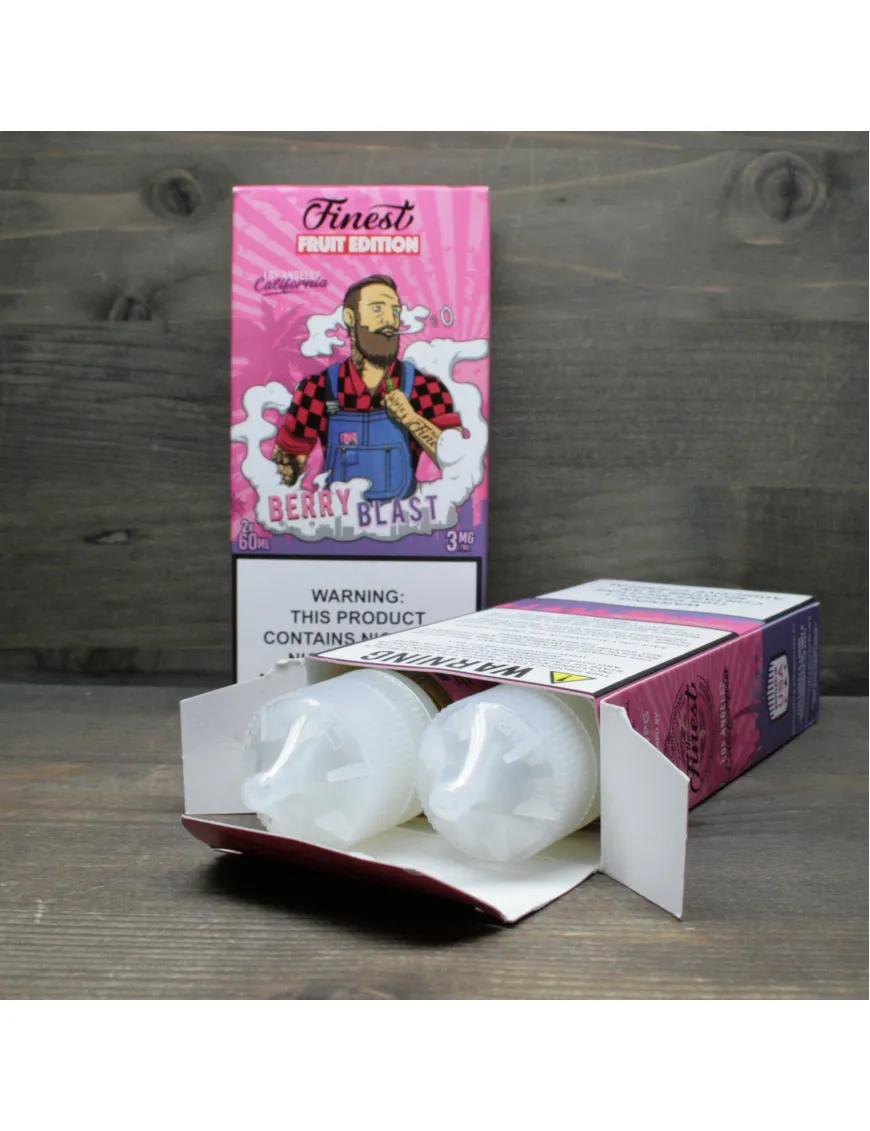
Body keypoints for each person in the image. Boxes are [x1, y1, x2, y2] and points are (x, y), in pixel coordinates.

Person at [272, 275, 462, 500]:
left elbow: (459, 465)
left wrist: (412, 419)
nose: (390, 320)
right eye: (378, 309)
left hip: (405, 518)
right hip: (338, 518)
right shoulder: (317, 390)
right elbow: (282, 476)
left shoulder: (427, 389)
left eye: (395, 311)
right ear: (350, 317)